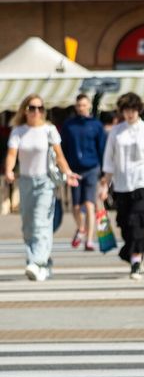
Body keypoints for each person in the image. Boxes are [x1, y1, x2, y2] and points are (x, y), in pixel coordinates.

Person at [4, 94, 78, 281]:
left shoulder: (49, 130)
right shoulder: (18, 131)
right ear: (25, 110)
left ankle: (36, 262)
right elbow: (12, 154)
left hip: (45, 181)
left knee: (40, 222)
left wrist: (68, 173)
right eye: (32, 108)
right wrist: (9, 170)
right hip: (26, 181)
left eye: (40, 108)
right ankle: (43, 262)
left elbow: (59, 156)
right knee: (28, 226)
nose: (36, 112)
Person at [98, 92, 144, 281]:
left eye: (133, 110)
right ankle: (131, 252)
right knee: (125, 224)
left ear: (139, 110)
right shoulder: (116, 131)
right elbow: (109, 160)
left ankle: (136, 261)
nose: (129, 114)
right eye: (126, 110)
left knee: (137, 222)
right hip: (121, 184)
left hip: (142, 182)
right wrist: (105, 184)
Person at [61, 94, 106, 251]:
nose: (81, 108)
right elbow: (63, 149)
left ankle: (89, 240)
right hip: (74, 170)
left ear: (89, 106)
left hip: (92, 168)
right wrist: (65, 169)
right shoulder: (69, 126)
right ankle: (81, 228)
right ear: (76, 107)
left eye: (84, 105)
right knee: (75, 207)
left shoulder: (96, 125)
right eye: (79, 105)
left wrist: (104, 174)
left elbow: (102, 149)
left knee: (89, 205)